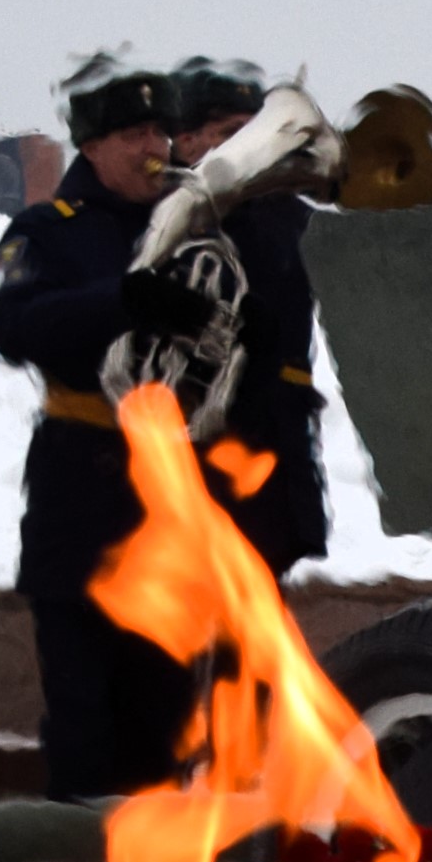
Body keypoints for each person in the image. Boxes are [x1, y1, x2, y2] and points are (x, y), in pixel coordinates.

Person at [0, 61, 202, 800]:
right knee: (82, 710)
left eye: (162, 130)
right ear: (92, 146)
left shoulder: (193, 228)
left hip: (169, 493)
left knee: (165, 711)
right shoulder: (48, 230)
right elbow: (11, 324)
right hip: (81, 484)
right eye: (135, 132)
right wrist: (121, 300)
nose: (156, 146)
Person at [162, 57, 328, 578]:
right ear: (186, 141)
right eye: (230, 133)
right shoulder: (161, 224)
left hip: (275, 443)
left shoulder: (292, 219)